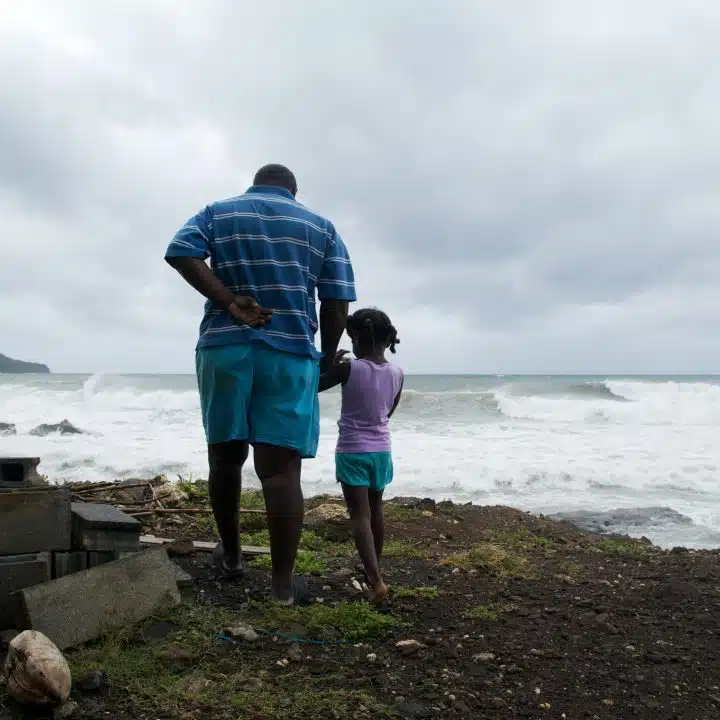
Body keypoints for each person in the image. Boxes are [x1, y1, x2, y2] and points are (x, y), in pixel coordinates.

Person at [165, 164, 356, 605]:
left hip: (224, 349)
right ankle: (282, 588)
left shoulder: (219, 212)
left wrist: (230, 302)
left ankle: (231, 558)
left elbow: (180, 251)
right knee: (280, 470)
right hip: (288, 353)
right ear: (294, 191)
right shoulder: (320, 227)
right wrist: (326, 357)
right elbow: (337, 299)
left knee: (225, 458)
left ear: (256, 183)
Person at [318, 308, 404, 609]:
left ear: (355, 337)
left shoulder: (349, 369)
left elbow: (314, 385)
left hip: (353, 449)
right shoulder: (397, 373)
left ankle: (376, 581)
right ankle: (374, 570)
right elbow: (388, 411)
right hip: (382, 450)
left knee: (359, 516)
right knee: (376, 509)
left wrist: (328, 362)